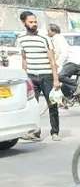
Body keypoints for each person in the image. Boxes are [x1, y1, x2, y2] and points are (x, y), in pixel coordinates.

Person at [16, 11, 60, 141]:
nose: (34, 24)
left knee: (52, 104)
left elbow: (52, 60)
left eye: (35, 22)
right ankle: (35, 132)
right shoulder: (21, 38)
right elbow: (24, 59)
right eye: (31, 22)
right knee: (32, 106)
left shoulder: (44, 38)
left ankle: (55, 132)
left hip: (46, 76)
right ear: (24, 23)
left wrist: (56, 79)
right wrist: (24, 77)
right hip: (31, 76)